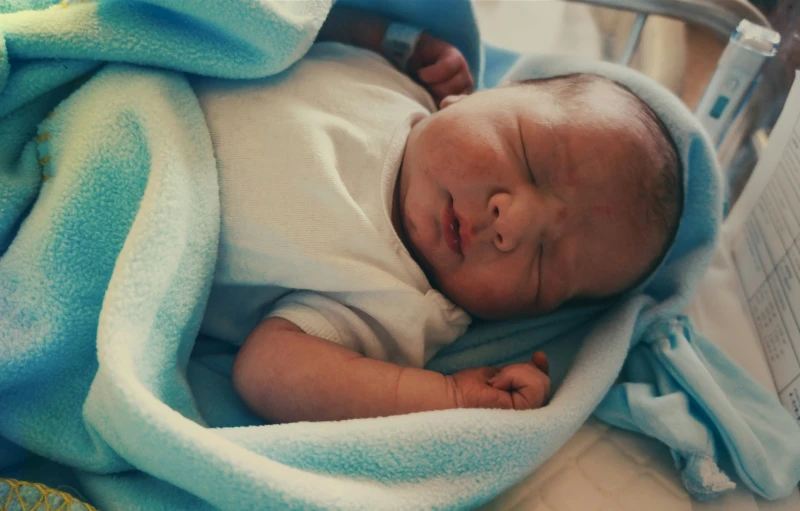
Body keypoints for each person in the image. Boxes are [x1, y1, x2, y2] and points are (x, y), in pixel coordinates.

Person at [191, 5, 682, 424]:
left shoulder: (398, 304)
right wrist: (391, 38)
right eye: (531, 160)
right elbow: (300, 21)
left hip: (142, 189)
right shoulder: (395, 80)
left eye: (544, 260)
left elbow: (266, 370)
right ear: (475, 96)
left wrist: (447, 396)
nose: (511, 225)